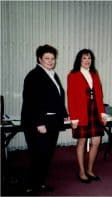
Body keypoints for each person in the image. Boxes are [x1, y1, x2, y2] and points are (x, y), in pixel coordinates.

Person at [21, 44, 68, 194]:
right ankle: (31, 187)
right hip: (39, 123)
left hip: (52, 122)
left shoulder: (52, 74)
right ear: (39, 59)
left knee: (47, 155)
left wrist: (64, 114)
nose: (50, 61)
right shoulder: (34, 75)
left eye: (52, 58)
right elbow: (31, 102)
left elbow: (58, 97)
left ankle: (39, 183)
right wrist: (39, 123)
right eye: (46, 58)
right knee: (39, 156)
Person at [67, 49, 107, 184]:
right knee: (82, 142)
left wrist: (102, 113)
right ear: (79, 59)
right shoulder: (73, 75)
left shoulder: (95, 74)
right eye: (84, 58)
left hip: (95, 111)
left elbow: (100, 95)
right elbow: (71, 97)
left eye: (89, 58)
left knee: (96, 142)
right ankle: (82, 171)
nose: (87, 60)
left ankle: (90, 170)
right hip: (81, 113)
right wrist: (73, 118)